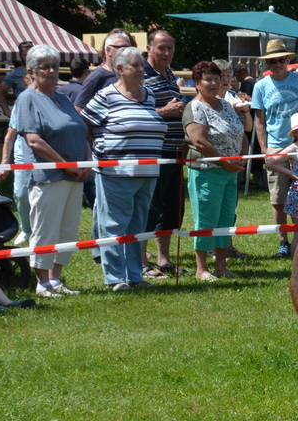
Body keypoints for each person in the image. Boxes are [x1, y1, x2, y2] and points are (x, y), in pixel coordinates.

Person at [81, 46, 167, 291]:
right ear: (119, 69)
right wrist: (98, 146)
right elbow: (85, 122)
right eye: (136, 66)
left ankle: (134, 275)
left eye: (142, 65)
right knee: (114, 224)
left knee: (137, 226)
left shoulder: (148, 95)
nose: (142, 70)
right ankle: (115, 278)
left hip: (147, 173)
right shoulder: (106, 96)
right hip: (115, 173)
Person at [11, 44, 89, 297]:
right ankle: (42, 282)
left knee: (67, 228)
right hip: (48, 177)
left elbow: (81, 131)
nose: (51, 71)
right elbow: (33, 140)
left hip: (75, 176)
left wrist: (86, 163)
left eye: (55, 66)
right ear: (32, 71)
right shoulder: (27, 99)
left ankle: (56, 280)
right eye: (45, 67)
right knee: (46, 228)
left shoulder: (64, 98)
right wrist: (67, 165)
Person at [182, 60, 245, 282]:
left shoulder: (226, 105)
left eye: (217, 79)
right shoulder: (195, 107)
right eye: (208, 79)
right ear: (197, 83)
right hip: (207, 170)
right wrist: (227, 162)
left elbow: (240, 132)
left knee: (226, 219)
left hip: (230, 172)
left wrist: (242, 157)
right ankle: (201, 269)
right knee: (206, 219)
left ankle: (221, 266)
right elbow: (199, 141)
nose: (214, 83)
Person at [141, 30, 188, 277]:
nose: (167, 53)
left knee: (172, 208)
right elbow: (136, 113)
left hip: (175, 152)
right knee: (151, 207)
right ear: (149, 49)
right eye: (161, 48)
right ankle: (142, 262)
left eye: (170, 48)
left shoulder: (169, 75)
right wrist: (164, 111)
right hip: (154, 152)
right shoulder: (141, 75)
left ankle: (164, 259)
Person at [250, 39, 298, 256]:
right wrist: (264, 149)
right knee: (278, 199)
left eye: (280, 60)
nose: (277, 64)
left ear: (288, 60)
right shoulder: (260, 86)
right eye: (272, 61)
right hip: (276, 147)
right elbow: (259, 121)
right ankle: (284, 240)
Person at [0, 43, 32, 114]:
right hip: (23, 113)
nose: (28, 57)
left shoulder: (42, 71)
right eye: (25, 55)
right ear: (20, 56)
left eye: (30, 54)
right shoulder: (16, 73)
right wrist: (6, 111)